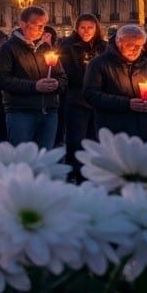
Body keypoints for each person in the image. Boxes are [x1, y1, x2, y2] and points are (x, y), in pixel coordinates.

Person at [0, 6, 64, 148]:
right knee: (22, 160)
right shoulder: (8, 49)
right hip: (21, 113)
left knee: (45, 160)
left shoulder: (46, 48)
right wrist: (34, 86)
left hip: (49, 112)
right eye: (38, 25)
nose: (42, 29)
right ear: (24, 24)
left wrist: (57, 84)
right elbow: (0, 79)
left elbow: (62, 76)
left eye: (44, 25)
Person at [84, 24, 147, 141]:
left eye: (139, 45)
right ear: (119, 43)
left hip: (146, 129)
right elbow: (91, 94)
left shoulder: (146, 64)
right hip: (115, 131)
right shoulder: (98, 64)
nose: (136, 49)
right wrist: (127, 103)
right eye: (131, 45)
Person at [59, 14, 105, 178]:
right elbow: (68, 72)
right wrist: (92, 78)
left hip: (98, 102)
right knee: (76, 140)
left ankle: (93, 173)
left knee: (95, 140)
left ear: (96, 28)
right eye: (83, 27)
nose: (86, 31)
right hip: (77, 99)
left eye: (90, 27)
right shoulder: (68, 46)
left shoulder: (103, 47)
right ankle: (75, 173)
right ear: (76, 29)